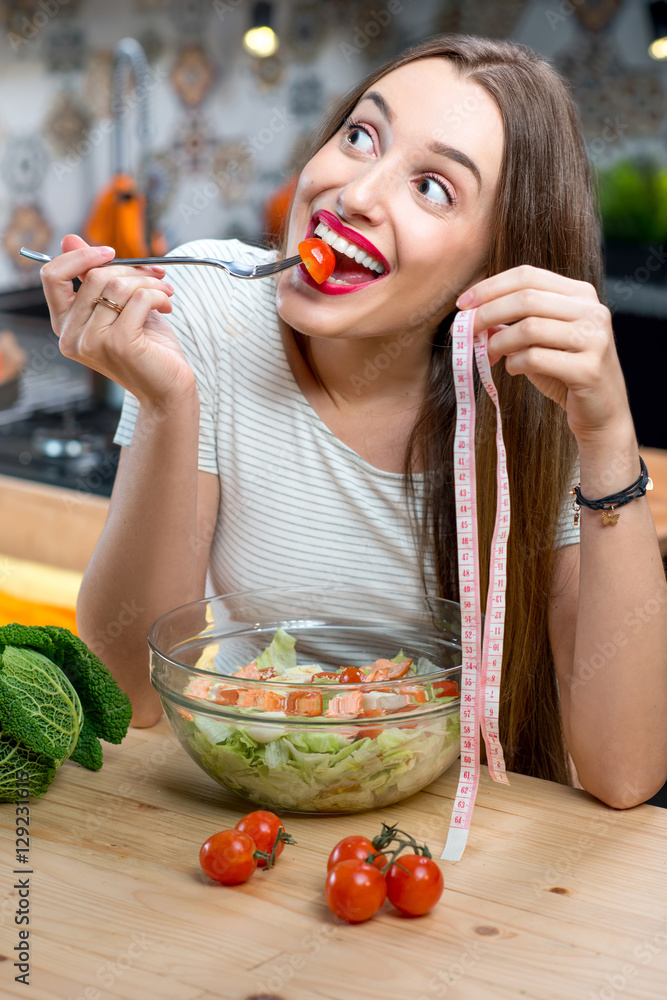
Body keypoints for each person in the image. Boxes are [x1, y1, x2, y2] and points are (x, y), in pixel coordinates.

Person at [39, 34, 666, 809]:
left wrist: (608, 440)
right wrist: (171, 404)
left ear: (496, 265)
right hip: (258, 810)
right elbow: (124, 693)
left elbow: (626, 772)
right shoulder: (204, 312)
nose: (359, 191)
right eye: (360, 135)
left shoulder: (531, 391)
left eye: (433, 187)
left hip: (466, 848)